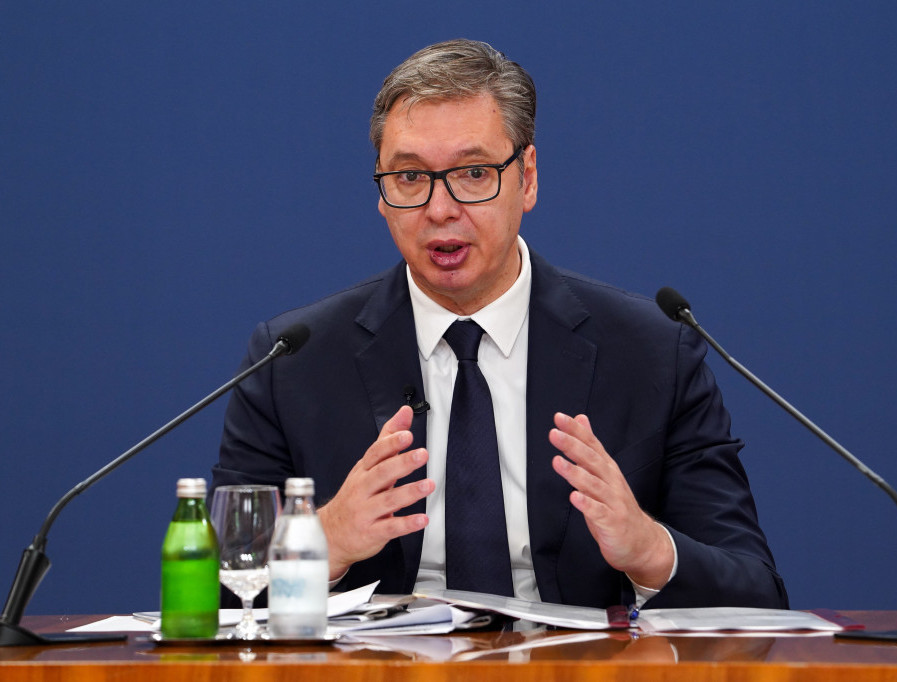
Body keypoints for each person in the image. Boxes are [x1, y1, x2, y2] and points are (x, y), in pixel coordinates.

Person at [212, 39, 788, 610]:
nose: (440, 209)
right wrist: (323, 542)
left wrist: (649, 549)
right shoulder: (291, 361)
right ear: (381, 195)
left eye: (473, 172)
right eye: (409, 177)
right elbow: (212, 597)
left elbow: (756, 590)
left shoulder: (653, 353)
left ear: (527, 178)